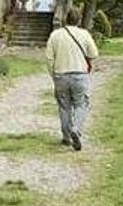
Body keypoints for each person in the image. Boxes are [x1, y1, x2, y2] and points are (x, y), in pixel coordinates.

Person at [45, 8, 99, 151]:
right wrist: (90, 72)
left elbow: (49, 59)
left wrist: (53, 75)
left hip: (61, 75)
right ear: (79, 20)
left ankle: (67, 137)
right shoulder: (84, 34)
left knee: (64, 106)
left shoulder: (55, 35)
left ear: (65, 19)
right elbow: (93, 55)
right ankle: (76, 129)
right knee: (82, 104)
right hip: (80, 75)